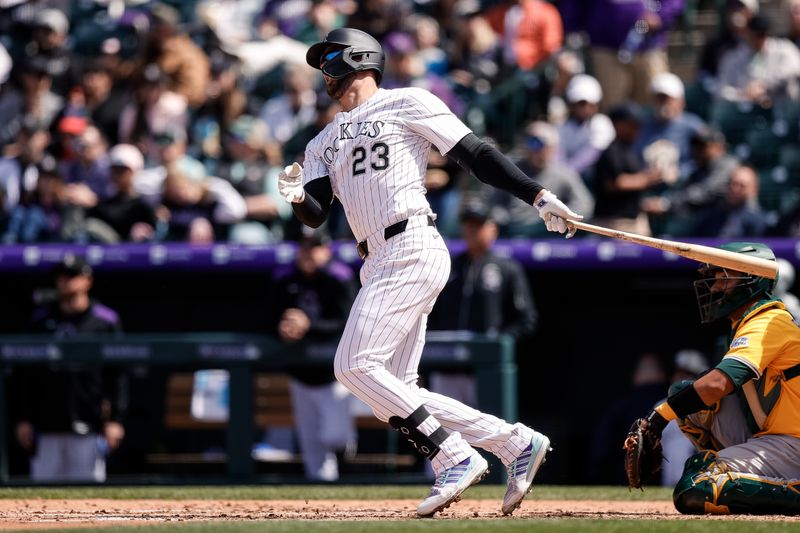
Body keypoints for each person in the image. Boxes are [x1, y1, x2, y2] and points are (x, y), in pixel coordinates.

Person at [278, 27, 581, 517]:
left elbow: (475, 154)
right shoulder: (321, 141)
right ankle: (514, 443)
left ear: (358, 58)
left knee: (352, 367)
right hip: (375, 258)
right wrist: (295, 195)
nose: (324, 72)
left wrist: (538, 195)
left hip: (411, 242)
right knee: (396, 390)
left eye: (329, 59)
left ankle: (453, 457)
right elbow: (315, 214)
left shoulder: (407, 101)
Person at [623, 242, 800, 514]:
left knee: (698, 487)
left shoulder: (769, 321)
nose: (715, 287)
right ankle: (733, 467)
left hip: (793, 443)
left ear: (752, 280)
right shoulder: (747, 322)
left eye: (724, 278)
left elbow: (718, 384)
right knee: (688, 399)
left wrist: (658, 418)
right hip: (774, 436)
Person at [13, 254, 126, 482]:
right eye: (61, 277)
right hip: (45, 425)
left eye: (71, 276)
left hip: (89, 424)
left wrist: (115, 418)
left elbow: (117, 374)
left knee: (89, 496)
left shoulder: (105, 320)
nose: (65, 281)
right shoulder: (40, 319)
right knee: (42, 496)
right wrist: (22, 418)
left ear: (87, 280)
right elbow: (24, 374)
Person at [268, 228, 358, 481]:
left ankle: (346, 456)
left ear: (326, 249)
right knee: (312, 449)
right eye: (304, 247)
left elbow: (347, 322)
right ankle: (320, 495)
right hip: (301, 373)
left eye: (314, 247)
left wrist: (309, 325)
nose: (308, 253)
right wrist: (284, 325)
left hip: (334, 373)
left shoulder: (339, 277)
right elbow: (266, 317)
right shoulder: (285, 278)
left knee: (336, 438)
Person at [428, 203, 538, 408]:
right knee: (440, 426)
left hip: (485, 372)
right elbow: (430, 311)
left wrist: (497, 342)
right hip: (445, 369)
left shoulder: (506, 268)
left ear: (492, 229)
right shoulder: (448, 265)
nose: (472, 231)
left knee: (486, 425)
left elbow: (526, 320)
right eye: (468, 225)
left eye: (478, 225)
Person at [488, 121, 594, 237]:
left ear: (553, 148)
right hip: (513, 233)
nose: (535, 150)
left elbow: (584, 204)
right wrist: (506, 219)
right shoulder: (512, 169)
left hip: (549, 234)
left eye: (540, 144)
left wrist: (561, 217)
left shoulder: (563, 173)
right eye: (530, 143)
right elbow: (492, 201)